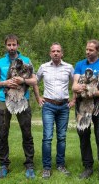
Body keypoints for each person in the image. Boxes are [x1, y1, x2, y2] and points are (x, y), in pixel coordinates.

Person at [0, 34, 37, 179]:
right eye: (9, 45)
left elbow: (34, 80)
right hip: (3, 100)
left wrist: (22, 79)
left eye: (14, 45)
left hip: (23, 100)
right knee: (3, 134)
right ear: (5, 46)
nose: (11, 47)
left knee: (27, 133)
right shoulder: (0, 62)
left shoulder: (26, 61)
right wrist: (6, 83)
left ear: (18, 45)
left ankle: (29, 165)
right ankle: (4, 165)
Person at [72, 39, 99, 184]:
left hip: (98, 104)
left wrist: (93, 93)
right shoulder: (80, 65)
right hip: (82, 105)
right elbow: (75, 85)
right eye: (87, 49)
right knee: (83, 136)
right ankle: (88, 167)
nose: (88, 52)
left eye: (91, 50)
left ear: (98, 51)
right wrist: (78, 88)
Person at [33, 42, 76, 179]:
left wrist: (74, 100)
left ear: (62, 53)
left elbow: (75, 84)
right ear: (50, 53)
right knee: (47, 137)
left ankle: (60, 165)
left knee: (62, 138)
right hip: (48, 106)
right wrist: (38, 97)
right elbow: (35, 81)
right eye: (53, 51)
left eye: (58, 51)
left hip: (64, 107)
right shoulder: (43, 67)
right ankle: (46, 167)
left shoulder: (69, 67)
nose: (56, 53)